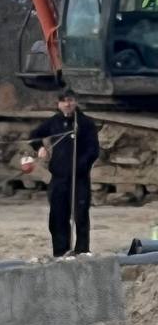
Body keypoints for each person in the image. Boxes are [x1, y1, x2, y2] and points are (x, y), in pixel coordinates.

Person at [29, 89, 99, 258]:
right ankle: (61, 252)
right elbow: (34, 135)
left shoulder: (85, 123)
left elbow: (93, 150)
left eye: (70, 100)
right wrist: (40, 148)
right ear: (58, 104)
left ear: (75, 102)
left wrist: (80, 165)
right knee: (58, 216)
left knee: (81, 215)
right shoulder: (54, 122)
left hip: (79, 178)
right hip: (59, 178)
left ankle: (82, 250)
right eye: (63, 101)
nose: (67, 104)